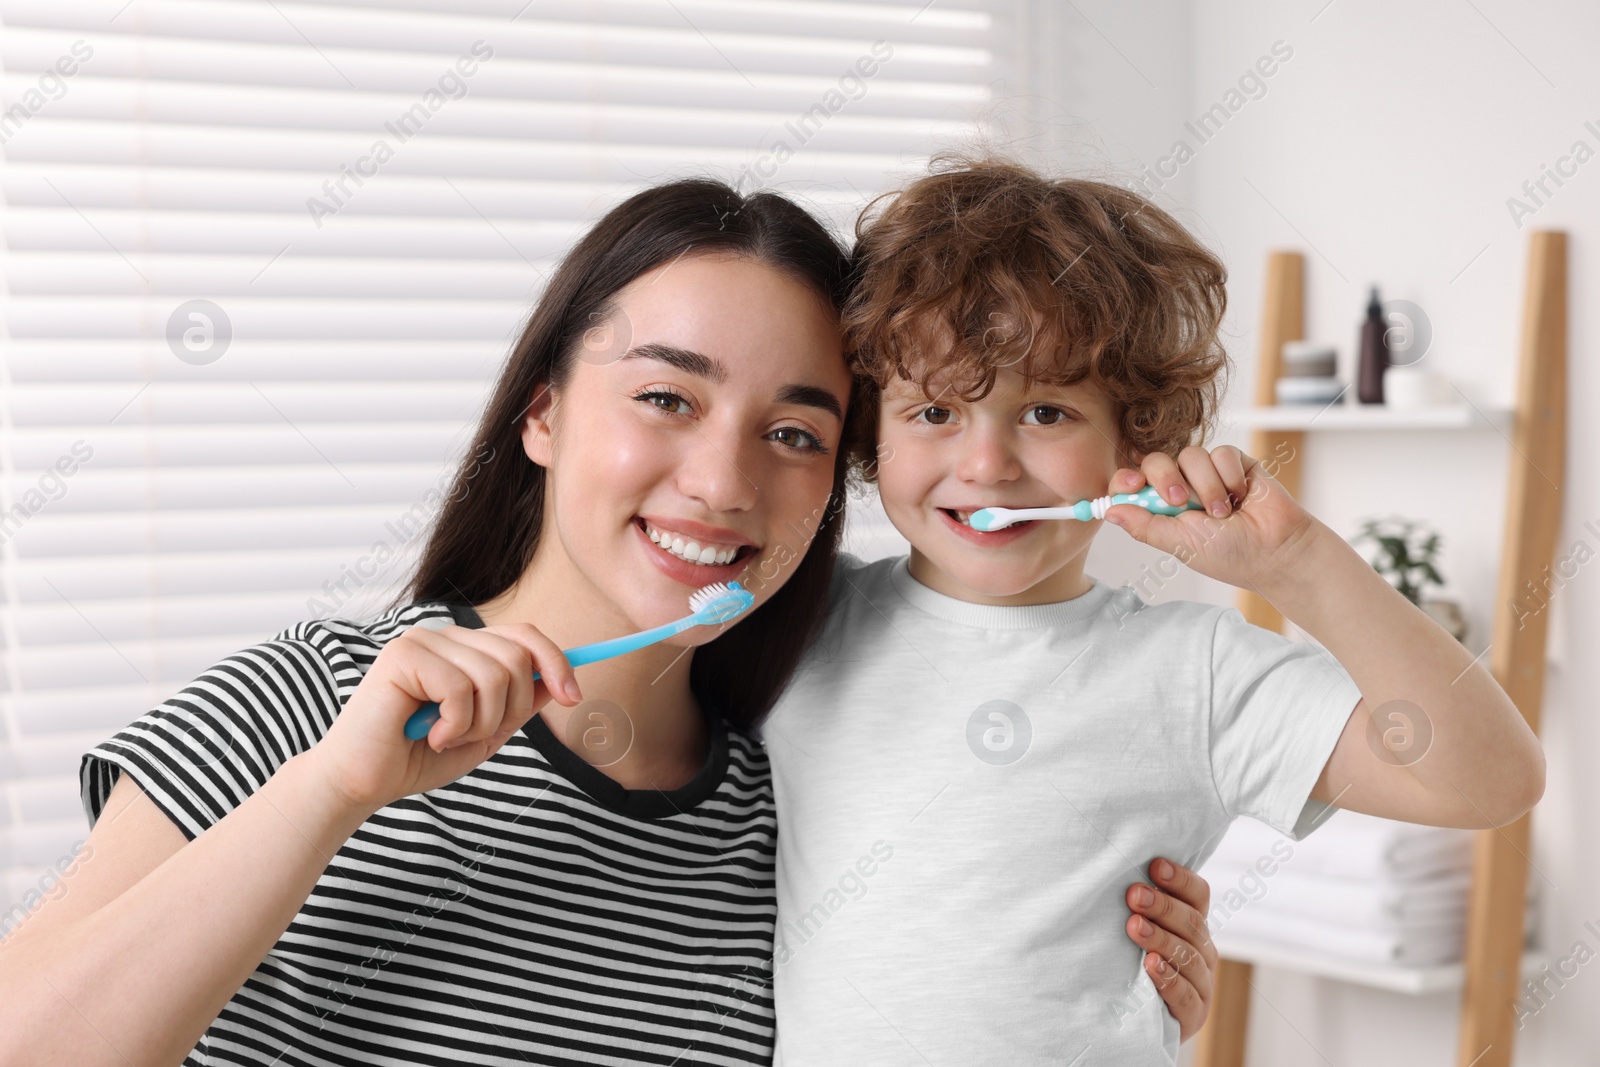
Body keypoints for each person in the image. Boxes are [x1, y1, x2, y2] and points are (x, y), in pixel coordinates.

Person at [0, 177, 1216, 1067]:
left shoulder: (780, 803)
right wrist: (328, 793)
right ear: (542, 415)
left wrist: (1100, 981)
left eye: (793, 432)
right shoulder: (311, 696)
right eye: (663, 397)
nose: (722, 480)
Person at [759, 158, 1547, 1064]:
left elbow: (1489, 779)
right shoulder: (804, 624)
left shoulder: (1195, 671)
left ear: (1133, 438)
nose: (986, 465)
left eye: (1047, 412)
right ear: (872, 432)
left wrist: (1298, 565)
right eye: (936, 409)